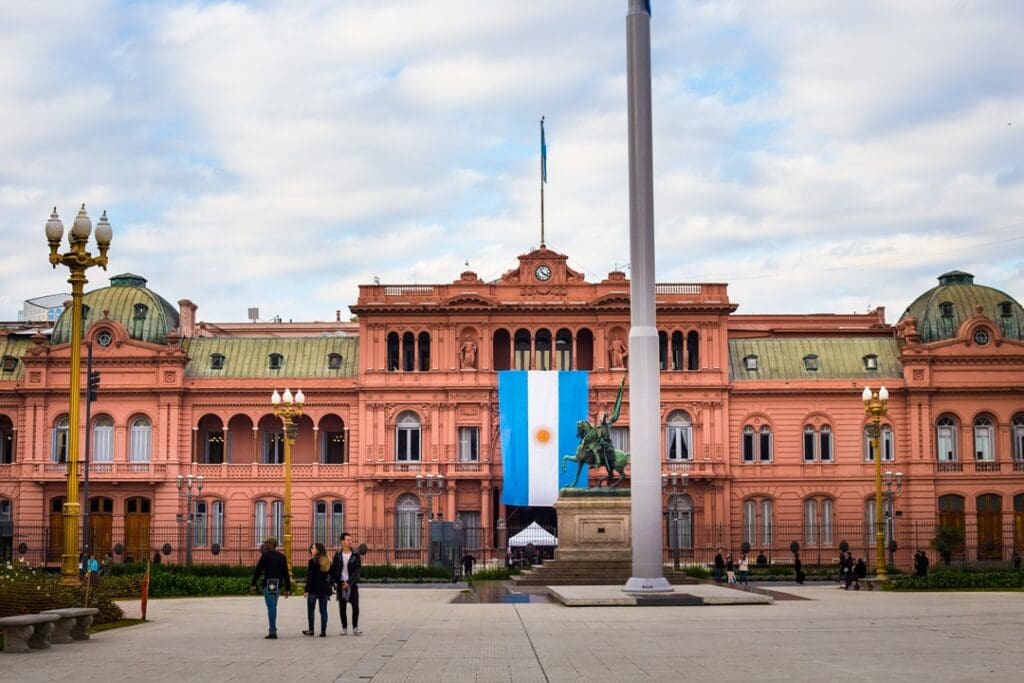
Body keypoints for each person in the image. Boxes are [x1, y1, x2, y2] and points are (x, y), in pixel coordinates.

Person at [249, 537, 291, 639]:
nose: (265, 545)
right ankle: (273, 629)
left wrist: (253, 584)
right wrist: (287, 589)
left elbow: (258, 570)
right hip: (277, 584)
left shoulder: (265, 556)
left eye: (266, 543)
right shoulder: (282, 557)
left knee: (271, 607)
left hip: (268, 583)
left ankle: (273, 631)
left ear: (271, 544)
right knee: (273, 606)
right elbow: (286, 573)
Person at [331, 532, 362, 636]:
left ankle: (355, 627)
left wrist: (349, 582)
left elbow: (357, 571)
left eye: (351, 540)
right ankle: (344, 627)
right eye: (348, 540)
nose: (350, 542)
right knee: (342, 607)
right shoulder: (338, 554)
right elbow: (334, 569)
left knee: (355, 606)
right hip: (341, 584)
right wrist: (337, 582)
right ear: (342, 541)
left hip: (352, 584)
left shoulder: (355, 555)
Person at [303, 543, 332, 637]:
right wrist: (329, 587)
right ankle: (323, 631)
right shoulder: (328, 561)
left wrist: (306, 590)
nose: (311, 549)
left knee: (311, 610)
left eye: (313, 548)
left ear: (318, 550)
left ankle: (311, 630)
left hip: (313, 589)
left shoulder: (312, 561)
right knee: (323, 610)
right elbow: (331, 576)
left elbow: (310, 577)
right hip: (324, 589)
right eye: (311, 548)